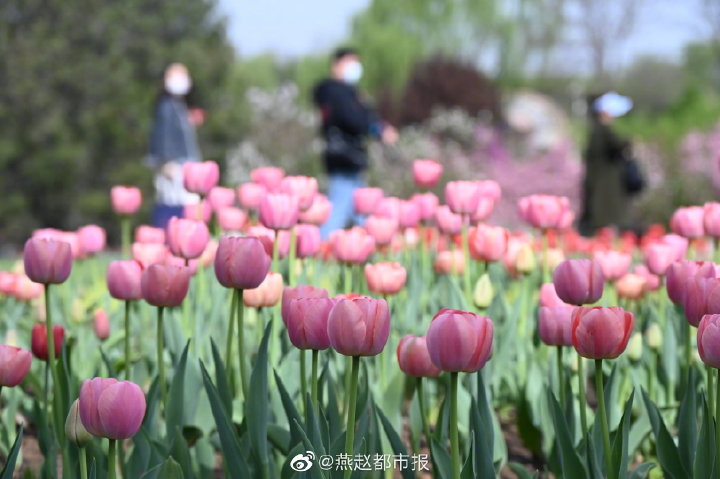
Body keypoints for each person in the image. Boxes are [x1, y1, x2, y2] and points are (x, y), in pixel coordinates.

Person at [313, 48, 397, 240]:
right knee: (339, 209)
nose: (355, 67)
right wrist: (378, 130)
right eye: (350, 62)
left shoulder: (343, 93)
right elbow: (355, 119)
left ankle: (366, 245)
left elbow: (363, 115)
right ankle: (320, 247)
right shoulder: (337, 92)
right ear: (336, 65)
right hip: (344, 157)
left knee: (362, 211)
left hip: (349, 158)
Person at [147, 63, 204, 228]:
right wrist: (166, 161)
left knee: (186, 204)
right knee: (172, 202)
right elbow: (162, 135)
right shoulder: (165, 105)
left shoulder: (180, 105)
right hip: (173, 164)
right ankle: (168, 238)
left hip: (185, 161)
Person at [580, 91, 633, 236]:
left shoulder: (597, 131)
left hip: (601, 186)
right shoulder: (603, 132)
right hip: (604, 188)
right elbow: (619, 145)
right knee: (605, 223)